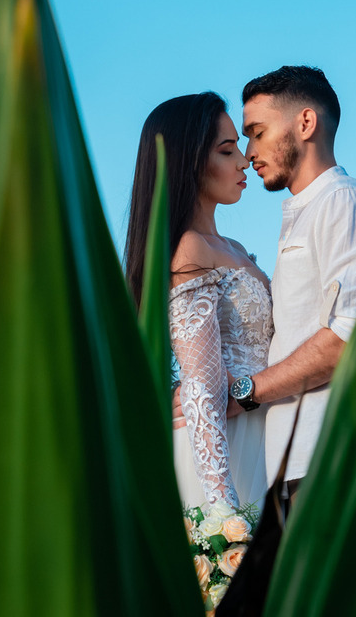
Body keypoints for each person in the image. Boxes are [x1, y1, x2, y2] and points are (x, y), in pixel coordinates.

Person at [228, 66, 356, 509]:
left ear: (305, 123)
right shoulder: (308, 210)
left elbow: (348, 337)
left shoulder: (345, 200)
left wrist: (245, 392)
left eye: (257, 133)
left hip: (326, 461)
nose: (248, 153)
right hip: (287, 465)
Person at [124, 92, 273, 511]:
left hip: (265, 431)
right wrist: (222, 511)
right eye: (227, 151)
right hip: (230, 450)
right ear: (189, 161)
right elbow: (203, 386)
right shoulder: (190, 250)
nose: (244, 161)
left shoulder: (236, 248)